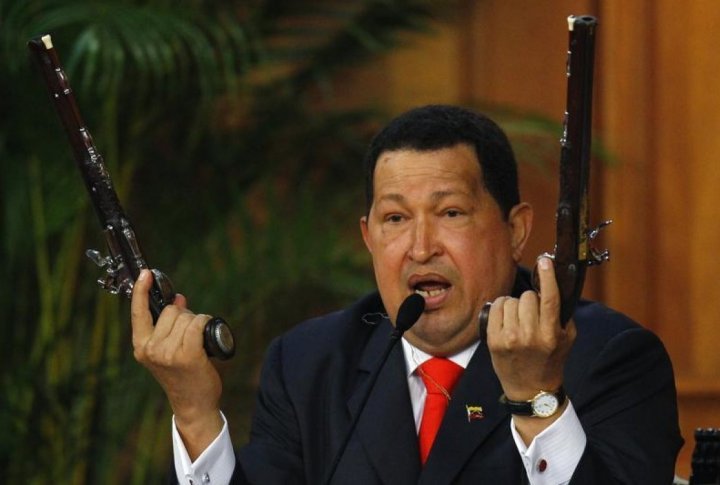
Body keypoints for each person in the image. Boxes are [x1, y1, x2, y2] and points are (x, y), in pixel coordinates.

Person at [131, 105, 683, 484]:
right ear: (369, 238)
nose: (420, 247)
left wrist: (538, 399)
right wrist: (196, 414)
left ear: (516, 230)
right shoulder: (309, 363)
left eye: (450, 213)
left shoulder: (608, 357)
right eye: (395, 218)